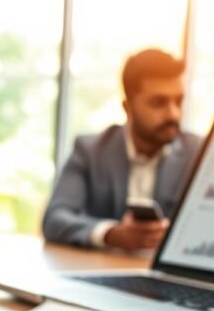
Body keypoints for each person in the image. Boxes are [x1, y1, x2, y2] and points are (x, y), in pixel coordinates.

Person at [42, 48, 204, 249]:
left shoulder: (199, 153)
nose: (173, 114)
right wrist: (111, 234)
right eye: (158, 103)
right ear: (128, 108)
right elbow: (55, 219)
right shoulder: (90, 151)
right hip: (104, 270)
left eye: (179, 101)